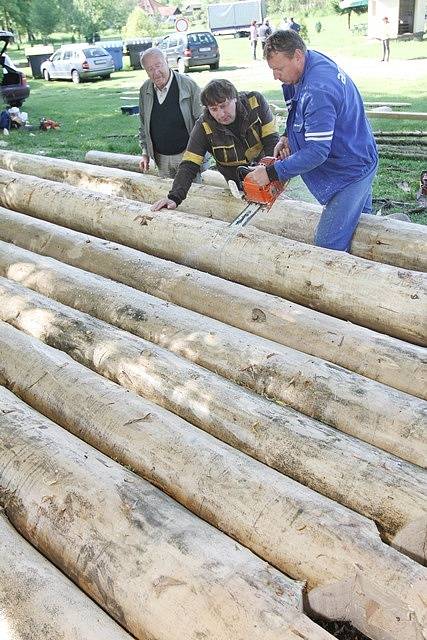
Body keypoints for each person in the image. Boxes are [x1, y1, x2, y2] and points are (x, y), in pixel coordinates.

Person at [248, 30, 378, 252]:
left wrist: (271, 173)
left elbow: (317, 151)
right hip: (351, 154)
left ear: (298, 55)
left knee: (327, 246)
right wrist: (287, 136)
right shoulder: (304, 66)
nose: (275, 76)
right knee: (362, 234)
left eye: (279, 69)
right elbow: (296, 107)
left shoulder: (318, 89)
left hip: (350, 171)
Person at [150, 79, 279, 211]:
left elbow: (272, 140)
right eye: (214, 109)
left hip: (265, 166)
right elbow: (189, 164)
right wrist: (174, 197)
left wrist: (268, 171)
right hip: (234, 178)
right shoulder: (204, 126)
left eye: (224, 105)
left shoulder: (255, 102)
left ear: (234, 97)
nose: (221, 114)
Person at [138, 47, 203, 178]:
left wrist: (196, 153)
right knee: (167, 196)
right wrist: (145, 153)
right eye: (150, 69)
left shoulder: (189, 86)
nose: (156, 72)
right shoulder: (145, 90)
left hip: (187, 156)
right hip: (160, 159)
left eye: (158, 65)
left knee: (193, 196)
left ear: (166, 61)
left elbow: (202, 123)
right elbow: (143, 124)